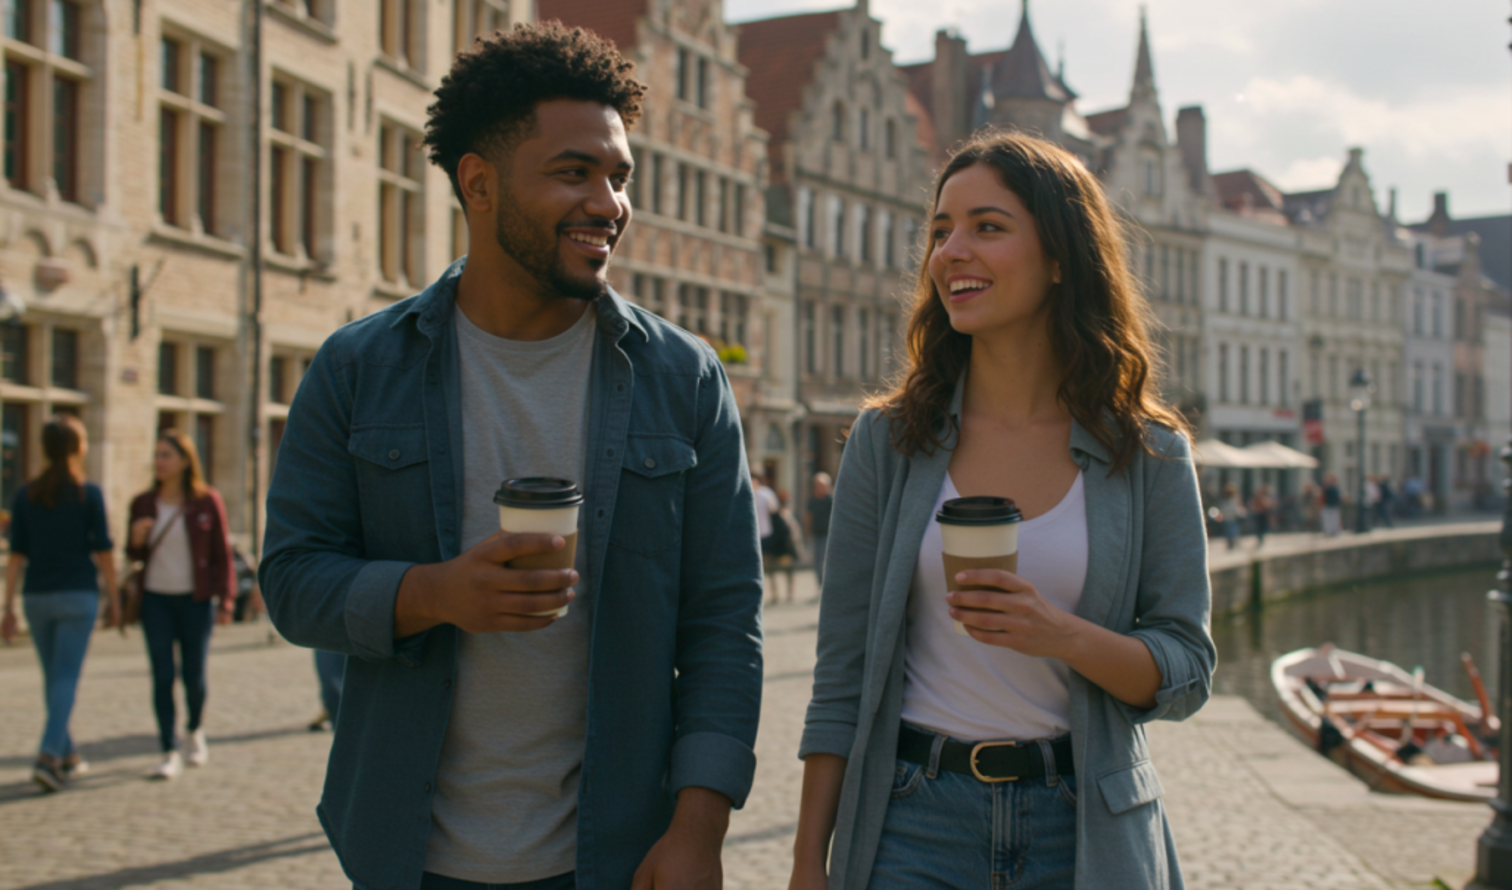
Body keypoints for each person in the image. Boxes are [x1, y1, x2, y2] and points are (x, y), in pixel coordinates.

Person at [258, 24, 762, 890]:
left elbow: (725, 624)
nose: (609, 202)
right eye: (575, 172)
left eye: (617, 176)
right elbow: (293, 580)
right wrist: (433, 593)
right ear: (480, 184)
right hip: (408, 854)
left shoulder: (683, 378)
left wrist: (700, 826)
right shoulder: (359, 367)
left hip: (618, 854)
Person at [787, 131, 1215, 890]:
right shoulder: (888, 443)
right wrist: (806, 864)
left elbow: (1186, 669)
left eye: (987, 227)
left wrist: (1063, 636)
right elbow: (843, 675)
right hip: (913, 821)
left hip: (1082, 824)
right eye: (940, 231)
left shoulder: (1148, 452)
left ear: (1060, 258)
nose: (951, 251)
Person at [0, 415, 118, 792]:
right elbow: (103, 553)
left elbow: (16, 556)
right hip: (78, 596)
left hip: (36, 596)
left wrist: (8, 606)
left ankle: (68, 754)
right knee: (65, 679)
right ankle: (49, 755)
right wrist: (115, 598)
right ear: (78, 447)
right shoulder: (88, 493)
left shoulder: (26, 494)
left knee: (54, 679)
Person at [127, 431, 234, 780]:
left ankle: (194, 730)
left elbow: (222, 552)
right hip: (155, 600)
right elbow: (133, 556)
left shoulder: (207, 501)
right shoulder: (143, 502)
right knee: (162, 674)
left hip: (195, 599)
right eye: (156, 455)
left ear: (185, 461)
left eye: (166, 455)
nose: (158, 462)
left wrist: (227, 599)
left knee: (194, 675)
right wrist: (136, 540)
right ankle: (167, 749)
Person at [753, 467, 790, 603]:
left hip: (768, 534)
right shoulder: (748, 493)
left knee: (771, 566)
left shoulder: (766, 494)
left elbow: (775, 511)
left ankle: (776, 593)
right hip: (755, 534)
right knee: (760, 567)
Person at [804, 472, 834, 590]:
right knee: (817, 560)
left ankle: (828, 582)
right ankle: (820, 582)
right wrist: (807, 530)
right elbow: (808, 516)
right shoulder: (812, 500)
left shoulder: (830, 500)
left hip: (828, 534)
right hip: (816, 533)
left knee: (827, 559)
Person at [1218, 482, 1245, 551]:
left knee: (1229, 531)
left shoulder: (1225, 500)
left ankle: (1231, 543)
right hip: (1232, 518)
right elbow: (1236, 509)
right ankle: (1232, 543)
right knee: (1233, 531)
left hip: (1228, 518)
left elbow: (1223, 509)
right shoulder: (1233, 500)